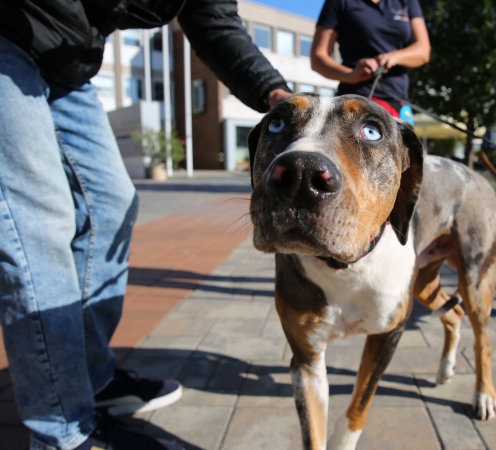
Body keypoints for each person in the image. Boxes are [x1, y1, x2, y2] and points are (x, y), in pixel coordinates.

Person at [0, 1, 292, 449]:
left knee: (112, 204)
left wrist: (275, 92)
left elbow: (213, 20)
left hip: (66, 63)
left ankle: (92, 382)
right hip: (10, 30)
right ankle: (62, 431)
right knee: (39, 219)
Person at [310, 0, 430, 119]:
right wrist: (349, 75)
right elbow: (318, 58)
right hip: (355, 104)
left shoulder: (407, 2)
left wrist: (393, 57)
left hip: (399, 104)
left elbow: (423, 51)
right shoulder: (339, 2)